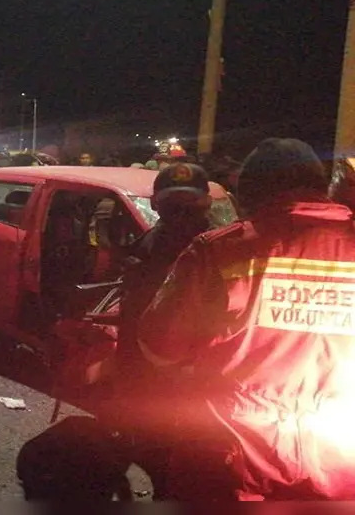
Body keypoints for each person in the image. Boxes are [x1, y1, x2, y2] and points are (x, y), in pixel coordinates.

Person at [136, 138, 355, 500]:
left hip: (232, 459)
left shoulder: (219, 251)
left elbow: (159, 344)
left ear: (250, 191)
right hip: (340, 463)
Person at [105, 162, 214, 497]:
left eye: (189, 206)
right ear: (157, 206)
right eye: (174, 206)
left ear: (204, 206)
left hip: (185, 378)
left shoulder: (216, 250)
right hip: (143, 370)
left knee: (175, 464)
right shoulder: (153, 240)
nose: (181, 214)